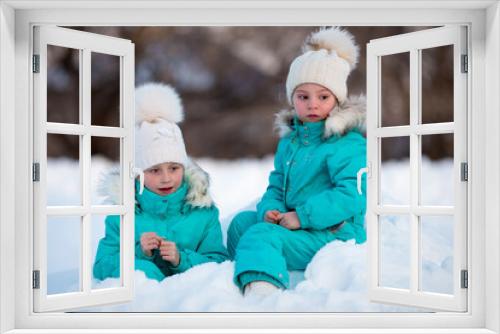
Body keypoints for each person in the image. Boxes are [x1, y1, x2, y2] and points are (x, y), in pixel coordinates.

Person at [227, 27, 367, 296]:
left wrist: (302, 217)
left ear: (336, 100)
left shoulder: (346, 143)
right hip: (296, 224)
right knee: (242, 224)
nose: (313, 104)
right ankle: (236, 274)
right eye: (304, 97)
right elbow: (277, 185)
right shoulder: (291, 143)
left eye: (323, 97)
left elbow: (351, 196)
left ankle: (262, 293)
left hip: (333, 233)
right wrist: (271, 210)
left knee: (260, 235)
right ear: (293, 99)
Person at [93, 83, 228, 282]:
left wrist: (181, 259)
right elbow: (101, 266)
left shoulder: (203, 212)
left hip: (190, 303)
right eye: (154, 170)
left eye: (174, 168)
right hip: (143, 307)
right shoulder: (122, 214)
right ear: (138, 174)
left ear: (184, 167)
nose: (166, 178)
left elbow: (219, 263)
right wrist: (139, 253)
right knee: (141, 269)